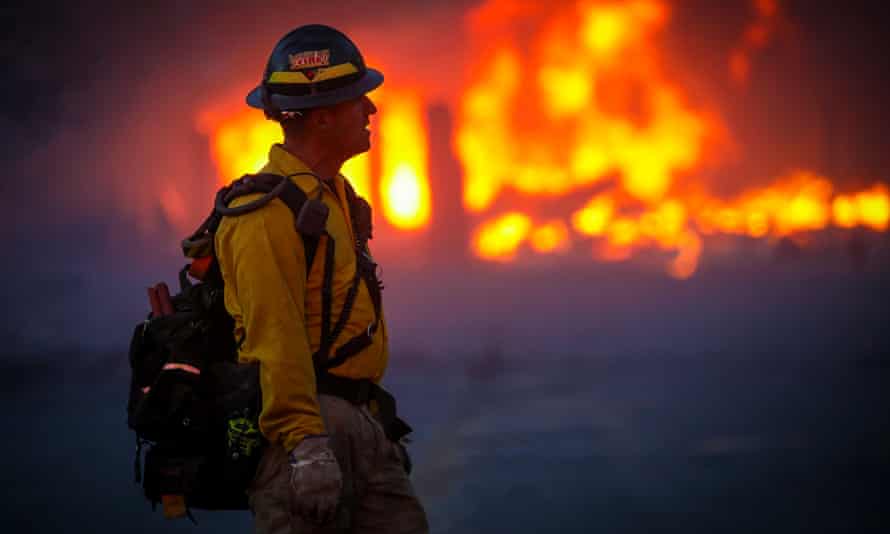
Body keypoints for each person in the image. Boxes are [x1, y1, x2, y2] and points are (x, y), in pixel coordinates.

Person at [214, 24, 429, 534]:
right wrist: (307, 446)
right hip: (306, 434)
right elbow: (275, 336)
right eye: (360, 99)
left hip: (357, 424)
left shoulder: (332, 197)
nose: (371, 111)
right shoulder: (262, 214)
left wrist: (369, 431)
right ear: (324, 116)